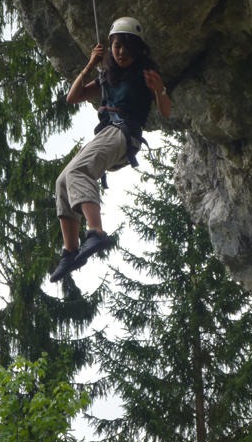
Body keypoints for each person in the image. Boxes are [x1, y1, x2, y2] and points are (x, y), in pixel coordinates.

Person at [50, 17, 171, 283]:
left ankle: (97, 232)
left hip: (125, 132)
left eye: (128, 47)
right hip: (108, 134)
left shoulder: (144, 75)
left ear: (138, 50)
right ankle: (70, 252)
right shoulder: (107, 77)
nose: (122, 52)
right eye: (117, 46)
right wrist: (90, 65)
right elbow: (73, 97)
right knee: (62, 181)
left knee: (79, 171)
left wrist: (160, 89)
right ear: (111, 47)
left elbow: (165, 111)